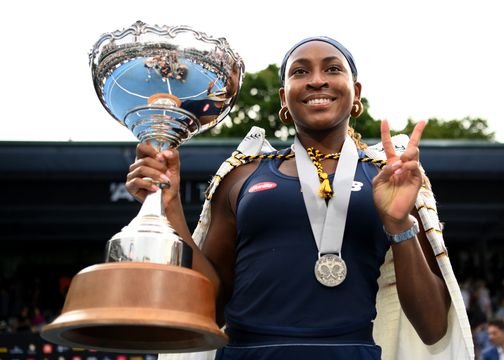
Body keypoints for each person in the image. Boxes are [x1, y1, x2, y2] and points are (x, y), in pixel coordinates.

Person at [126, 37, 472, 359]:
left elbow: (432, 328)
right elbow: (208, 306)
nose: (317, 80)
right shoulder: (241, 174)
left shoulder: (392, 177)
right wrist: (169, 207)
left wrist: (400, 224)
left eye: (333, 69)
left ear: (356, 92)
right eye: (300, 71)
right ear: (284, 99)